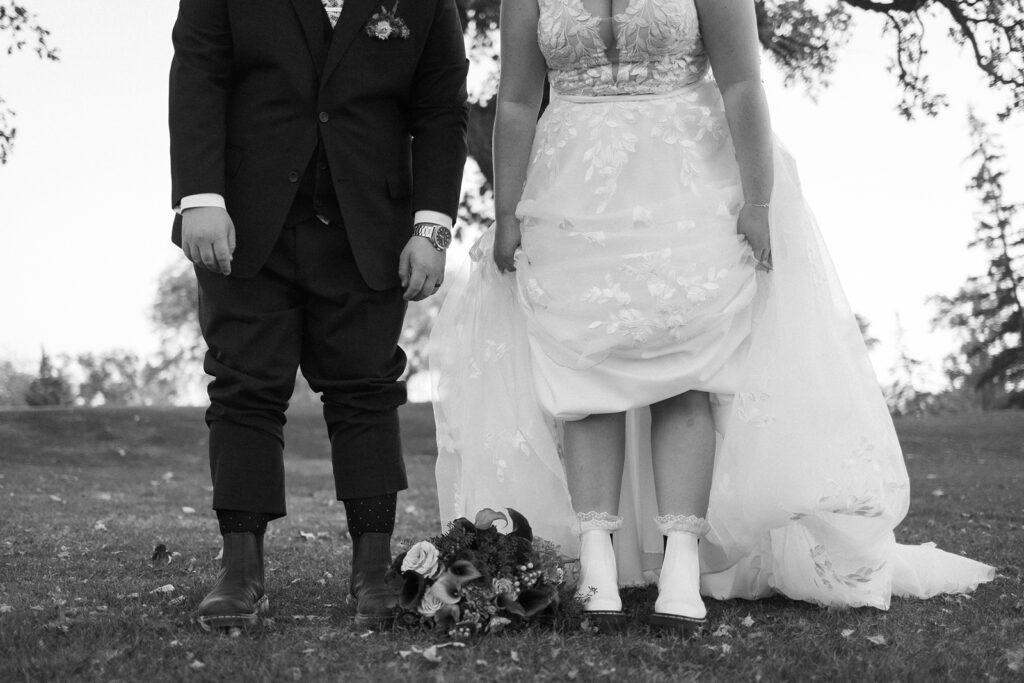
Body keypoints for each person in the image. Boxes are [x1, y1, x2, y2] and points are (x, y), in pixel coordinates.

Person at [430, 0, 993, 635]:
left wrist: (758, 197)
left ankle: (681, 562)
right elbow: (514, 99)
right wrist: (506, 211)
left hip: (689, 180)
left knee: (685, 369)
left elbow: (743, 82)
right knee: (580, 373)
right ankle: (596, 564)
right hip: (569, 187)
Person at [168, 0, 468, 631]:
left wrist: (432, 228)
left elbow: (440, 110)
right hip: (244, 222)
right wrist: (199, 197)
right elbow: (198, 75)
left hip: (370, 224)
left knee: (366, 389)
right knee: (244, 387)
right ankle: (240, 571)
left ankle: (373, 571)